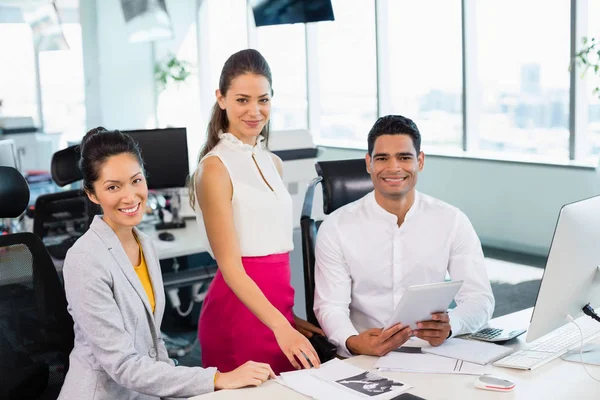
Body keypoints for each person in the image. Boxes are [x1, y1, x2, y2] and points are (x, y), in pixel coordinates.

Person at [58, 127, 275, 400]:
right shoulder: (85, 260)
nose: (130, 196)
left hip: (144, 392)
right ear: (92, 194)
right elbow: (123, 365)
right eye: (113, 187)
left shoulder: (144, 244)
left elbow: (153, 344)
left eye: (136, 181)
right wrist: (217, 378)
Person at [313, 115, 495, 358]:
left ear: (420, 161)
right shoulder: (336, 227)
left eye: (404, 157)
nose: (393, 167)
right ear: (368, 163)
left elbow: (479, 299)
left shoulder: (452, 220)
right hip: (363, 359)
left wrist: (452, 326)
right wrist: (353, 341)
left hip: (433, 354)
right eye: (382, 158)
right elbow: (330, 306)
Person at [189, 49, 322, 375]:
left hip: (277, 312)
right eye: (242, 100)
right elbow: (232, 269)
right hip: (237, 316)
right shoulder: (215, 169)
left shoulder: (273, 162)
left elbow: (273, 249)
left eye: (263, 100)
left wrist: (288, 320)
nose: (254, 111)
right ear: (221, 99)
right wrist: (282, 326)